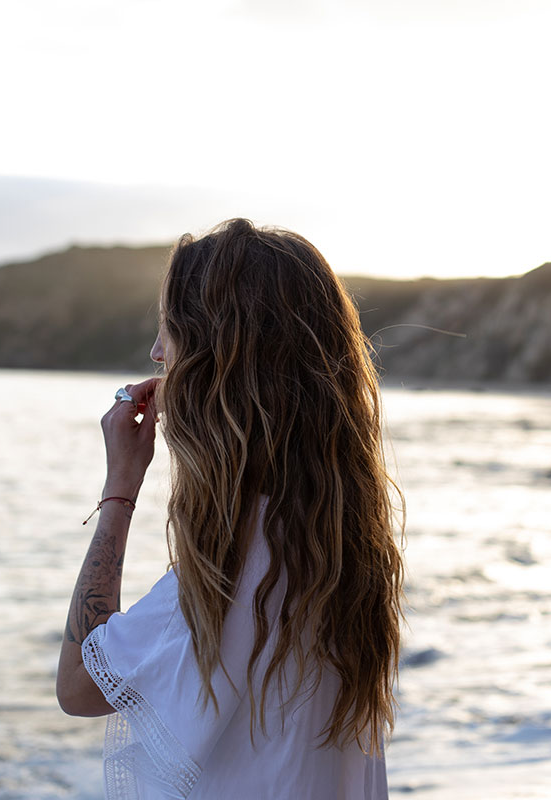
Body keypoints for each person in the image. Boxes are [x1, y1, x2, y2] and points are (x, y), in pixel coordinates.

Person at [56, 218, 405, 799]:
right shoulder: (342, 545)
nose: (155, 351)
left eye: (169, 330)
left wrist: (120, 488)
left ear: (216, 361)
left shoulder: (238, 568)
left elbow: (80, 687)